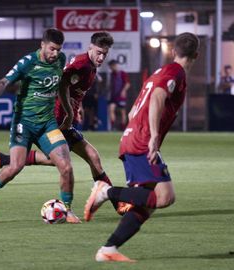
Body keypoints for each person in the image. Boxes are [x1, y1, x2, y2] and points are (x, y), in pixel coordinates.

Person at [84, 32, 200, 262]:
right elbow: (157, 97)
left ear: (174, 51)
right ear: (196, 55)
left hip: (133, 138)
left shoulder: (161, 72)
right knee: (165, 197)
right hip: (142, 141)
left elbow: (131, 111)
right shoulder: (175, 72)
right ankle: (105, 191)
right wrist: (154, 135)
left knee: (146, 203)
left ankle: (108, 249)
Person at [0, 32, 130, 215]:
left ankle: (3, 159)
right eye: (99, 52)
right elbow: (61, 84)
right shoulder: (81, 64)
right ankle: (115, 203)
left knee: (71, 159)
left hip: (65, 119)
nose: (101, 57)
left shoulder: (90, 66)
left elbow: (71, 88)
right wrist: (68, 111)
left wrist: (77, 106)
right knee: (87, 158)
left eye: (105, 54)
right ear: (90, 48)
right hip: (58, 120)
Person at [0, 28, 81, 223]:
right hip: (23, 124)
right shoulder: (28, 63)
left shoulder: (60, 60)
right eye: (52, 49)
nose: (55, 54)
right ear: (42, 45)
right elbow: (3, 82)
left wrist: (68, 111)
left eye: (58, 49)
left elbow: (61, 86)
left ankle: (67, 210)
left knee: (65, 167)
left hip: (48, 124)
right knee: (16, 166)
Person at [108, 59, 130, 131]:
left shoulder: (122, 73)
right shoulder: (112, 74)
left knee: (122, 112)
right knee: (111, 109)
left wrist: (123, 91)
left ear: (114, 65)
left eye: (111, 67)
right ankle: (113, 127)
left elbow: (128, 84)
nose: (111, 68)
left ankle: (123, 128)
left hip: (121, 97)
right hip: (114, 96)